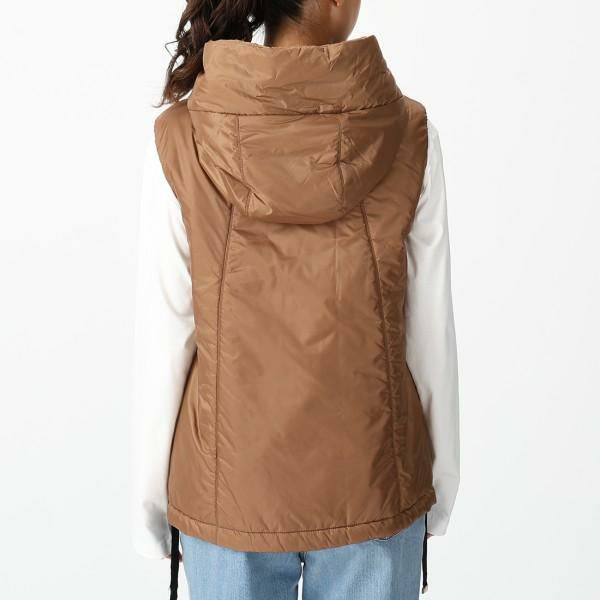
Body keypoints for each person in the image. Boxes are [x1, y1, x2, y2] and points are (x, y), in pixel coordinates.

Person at [131, 1, 460, 599]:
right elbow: (429, 335)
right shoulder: (411, 135)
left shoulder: (183, 136)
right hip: (375, 487)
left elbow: (167, 338)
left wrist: (152, 504)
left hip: (226, 496)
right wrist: (440, 485)